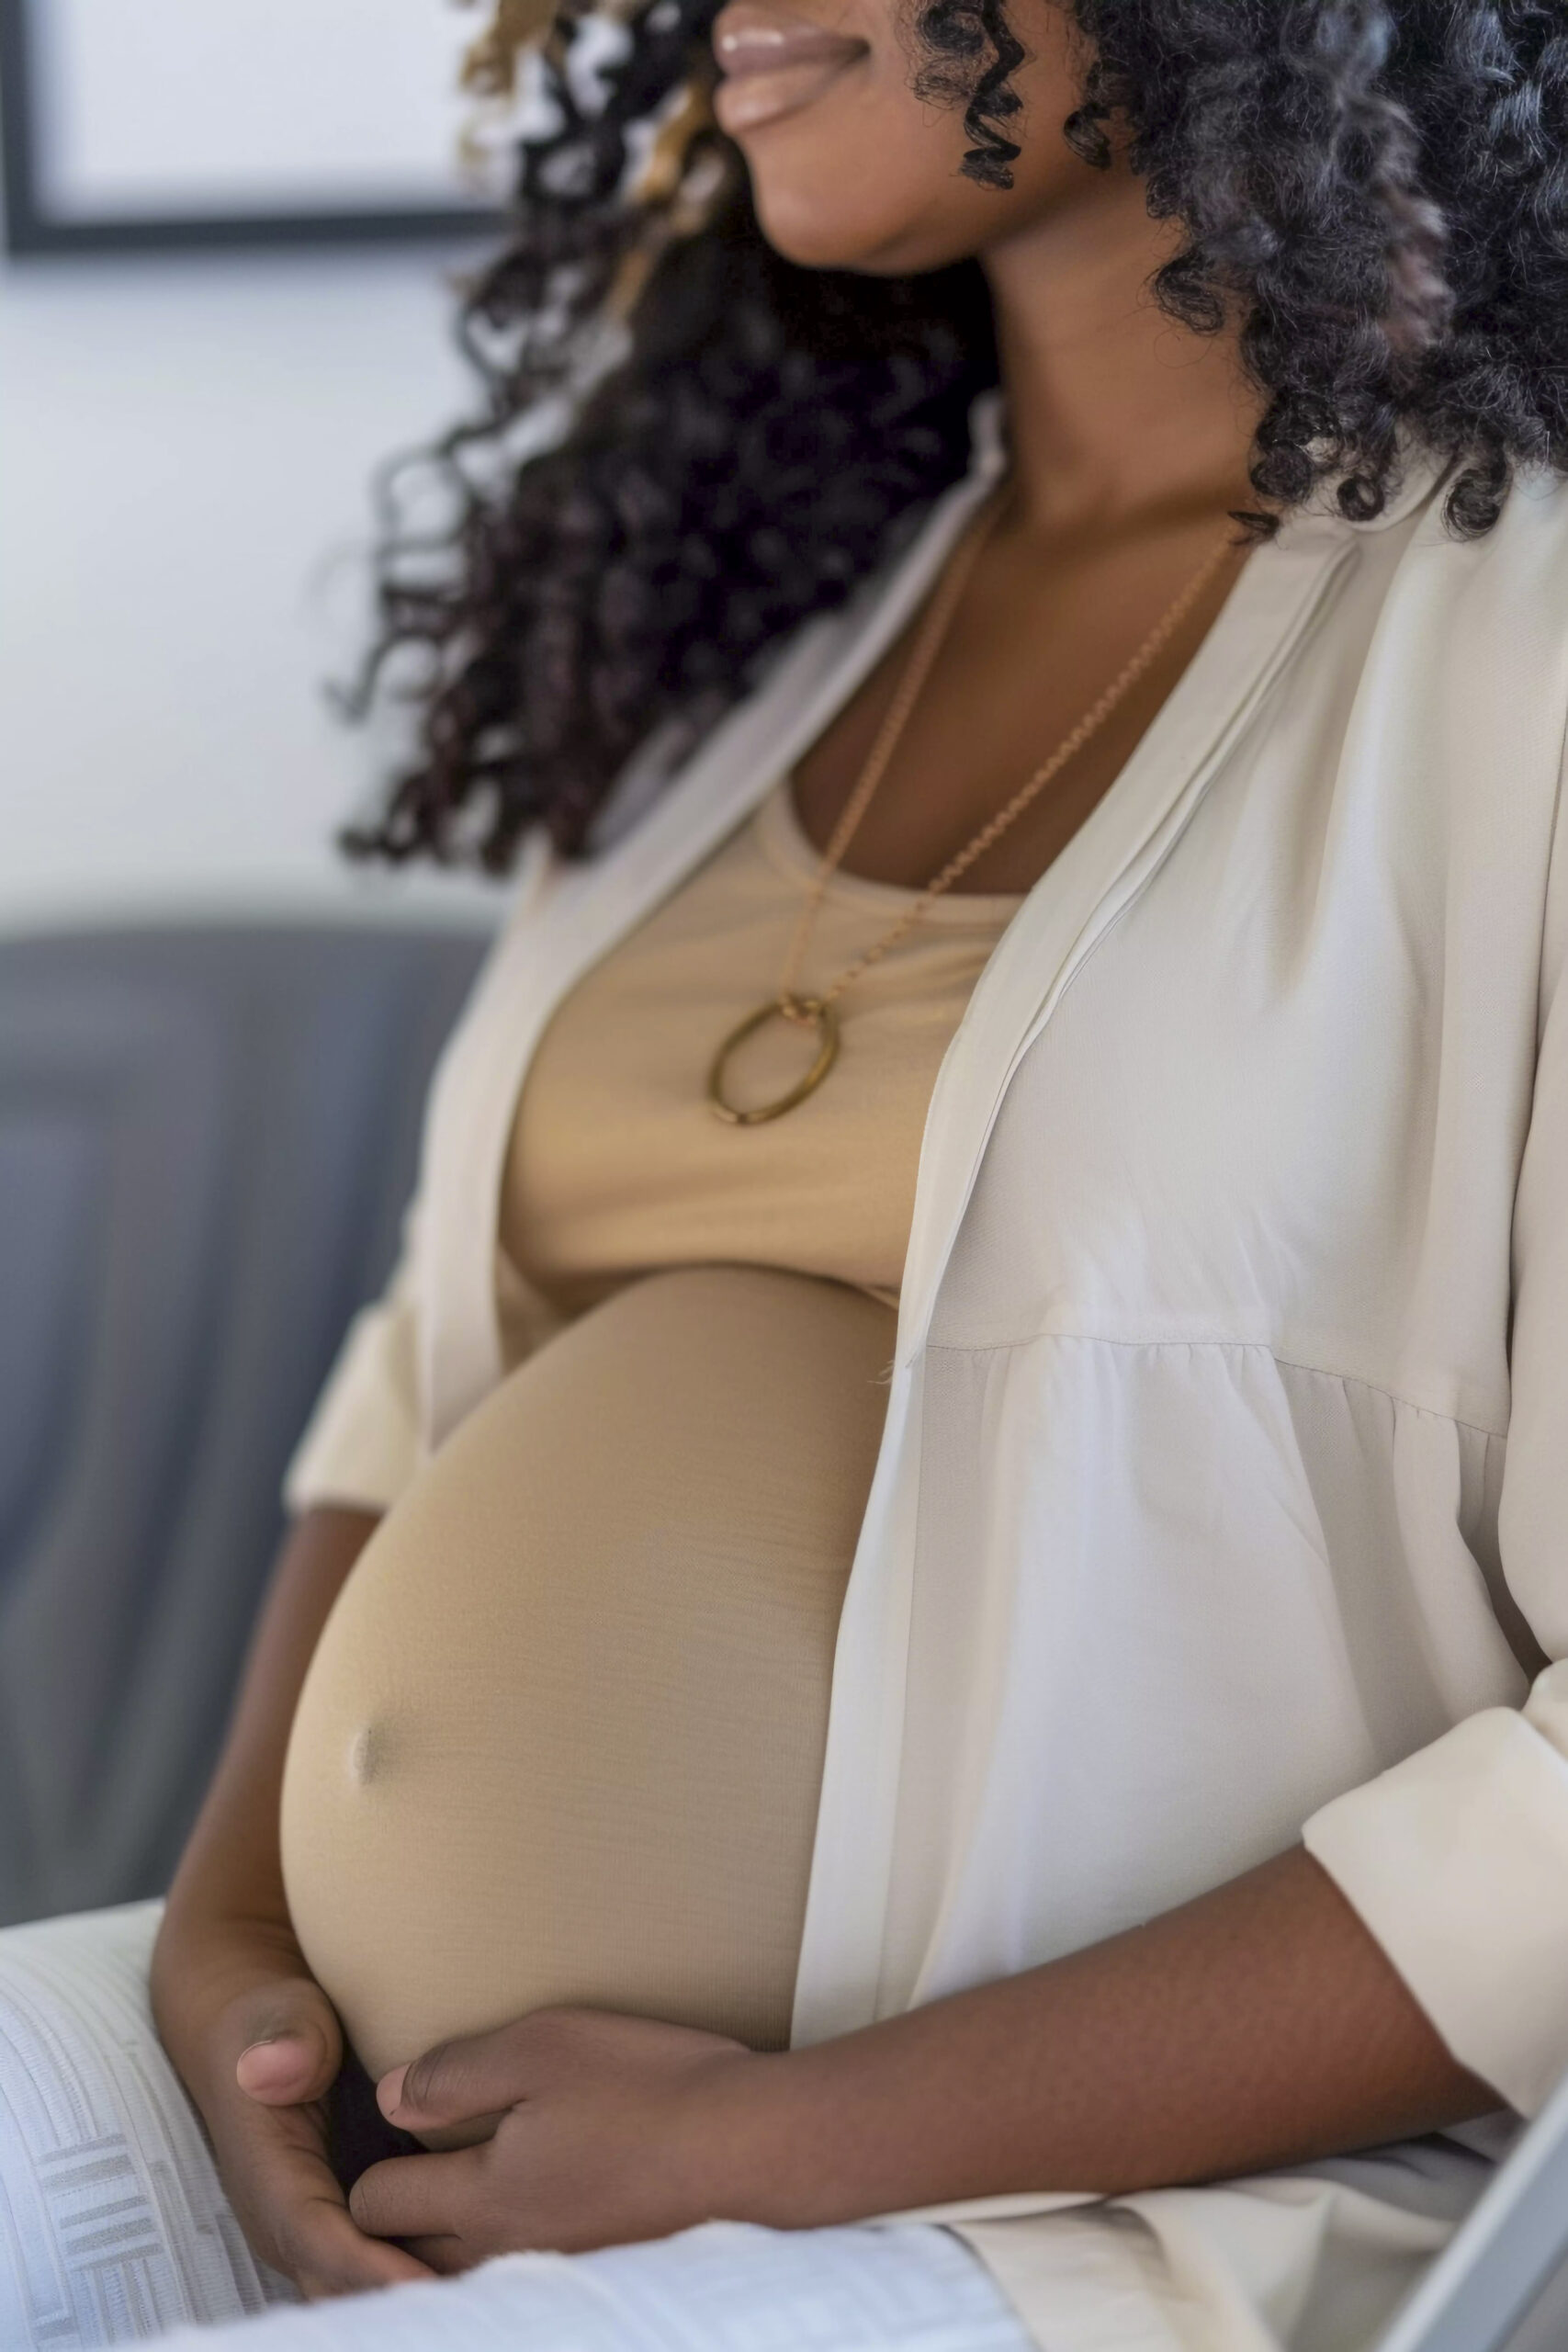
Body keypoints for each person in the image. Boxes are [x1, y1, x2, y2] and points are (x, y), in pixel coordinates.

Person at [3, 1, 1566, 2346]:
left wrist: (774, 2145)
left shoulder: (1511, 656)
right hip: (387, 2102)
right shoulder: (761, 630)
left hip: (1099, 2207)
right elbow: (423, 1378)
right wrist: (233, 1936)